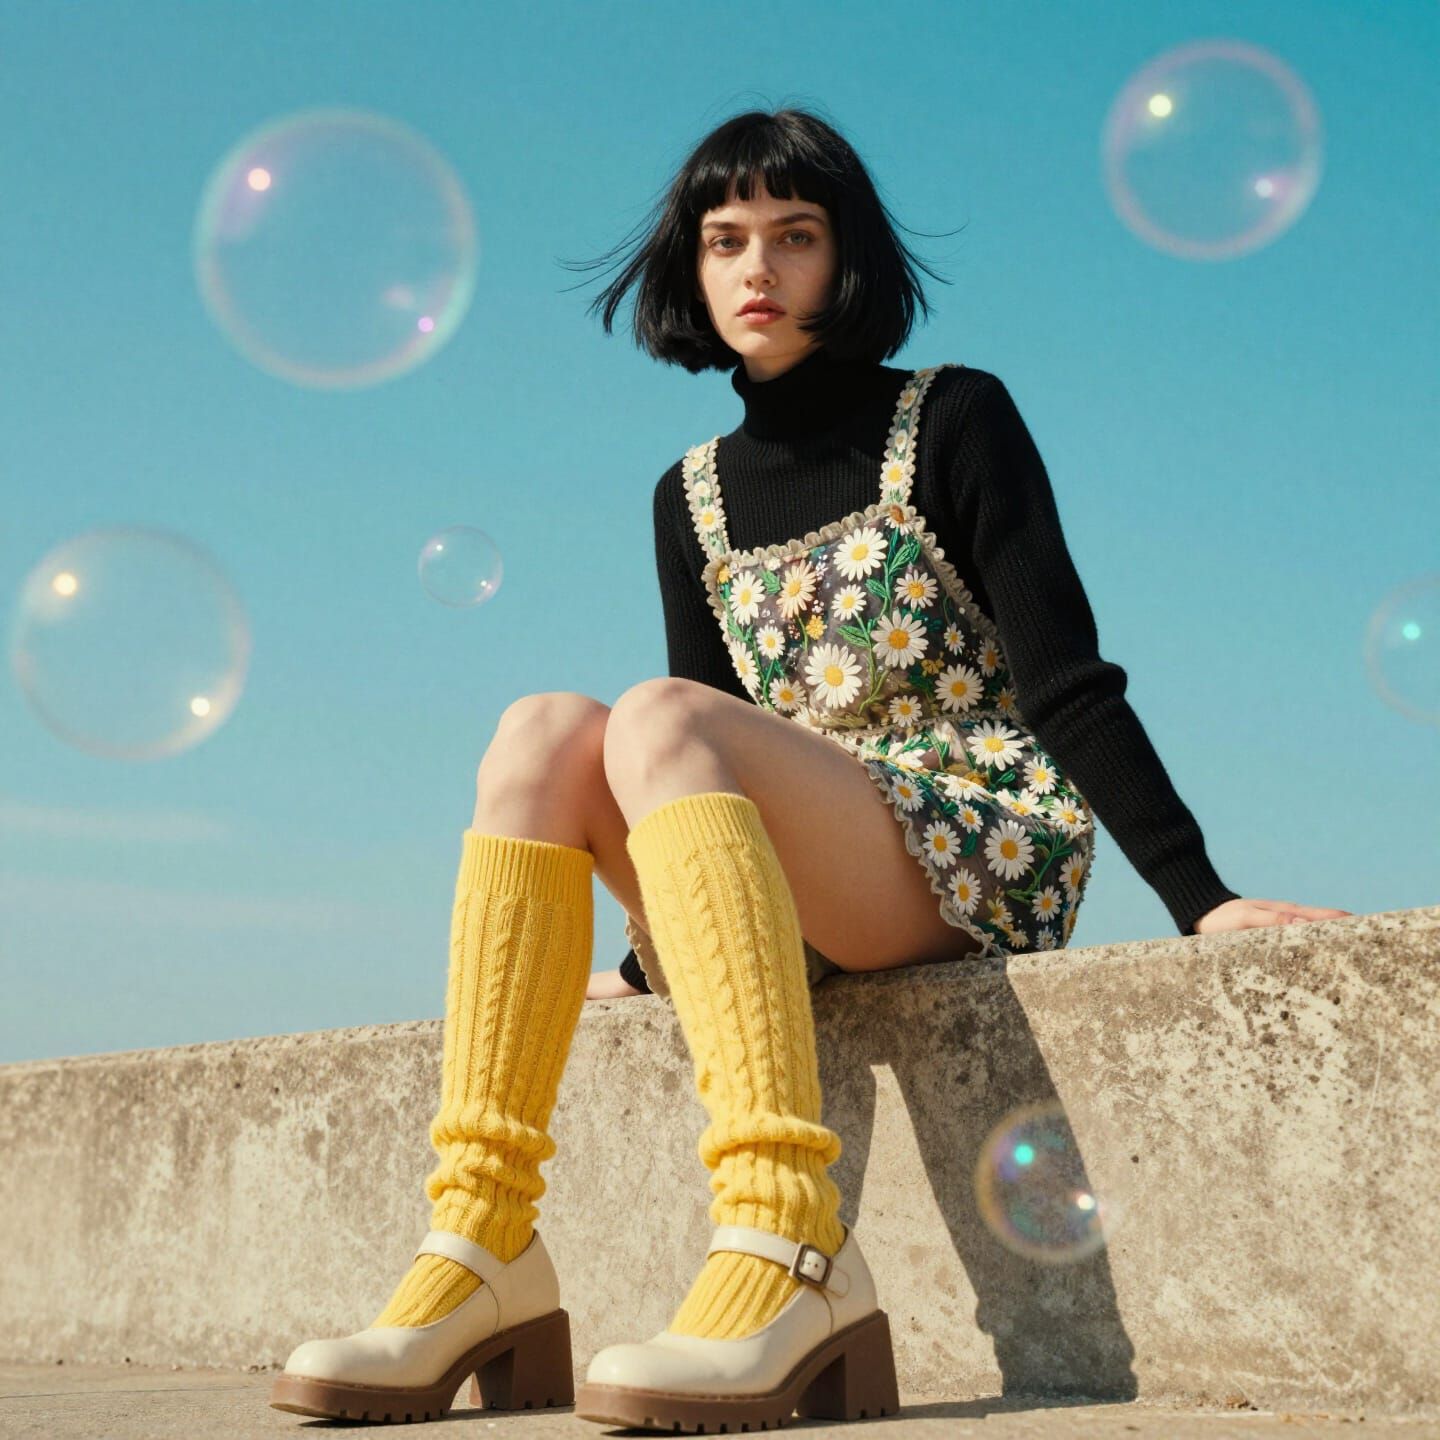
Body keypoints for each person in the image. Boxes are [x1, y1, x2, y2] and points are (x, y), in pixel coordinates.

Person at [270, 106, 1353, 1431]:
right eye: (726, 240)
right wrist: (632, 957)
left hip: (963, 841)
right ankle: (483, 1246)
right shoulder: (689, 495)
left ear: (848, 260)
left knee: (655, 713)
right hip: (791, 875)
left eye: (795, 234)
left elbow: (1064, 680)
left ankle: (793, 1251)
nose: (757, 269)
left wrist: (1202, 896)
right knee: (544, 728)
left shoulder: (952, 417)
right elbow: (696, 765)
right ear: (691, 267)